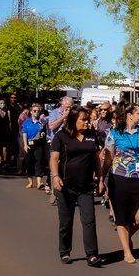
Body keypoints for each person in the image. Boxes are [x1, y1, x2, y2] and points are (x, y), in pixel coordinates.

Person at [49, 106, 104, 267]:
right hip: (65, 186)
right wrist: (55, 176)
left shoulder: (92, 136)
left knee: (89, 220)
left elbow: (96, 160)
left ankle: (92, 254)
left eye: (88, 119)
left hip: (86, 186)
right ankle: (65, 251)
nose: (87, 122)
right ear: (73, 121)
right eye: (83, 120)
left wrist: (100, 180)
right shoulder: (61, 137)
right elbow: (54, 159)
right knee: (66, 221)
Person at [102, 103, 139, 264]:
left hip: (138, 178)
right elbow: (108, 158)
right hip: (119, 179)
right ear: (129, 115)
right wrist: (101, 180)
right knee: (122, 216)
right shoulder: (114, 134)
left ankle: (125, 236)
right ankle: (126, 251)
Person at [20, 103, 48, 187]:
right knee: (29, 162)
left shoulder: (41, 122)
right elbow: (24, 133)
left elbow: (45, 131)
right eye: (34, 111)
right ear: (31, 112)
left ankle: (39, 182)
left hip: (39, 144)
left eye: (38, 111)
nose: (36, 112)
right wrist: (25, 144)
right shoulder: (27, 122)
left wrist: (42, 122)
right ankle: (30, 182)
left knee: (39, 162)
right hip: (29, 143)